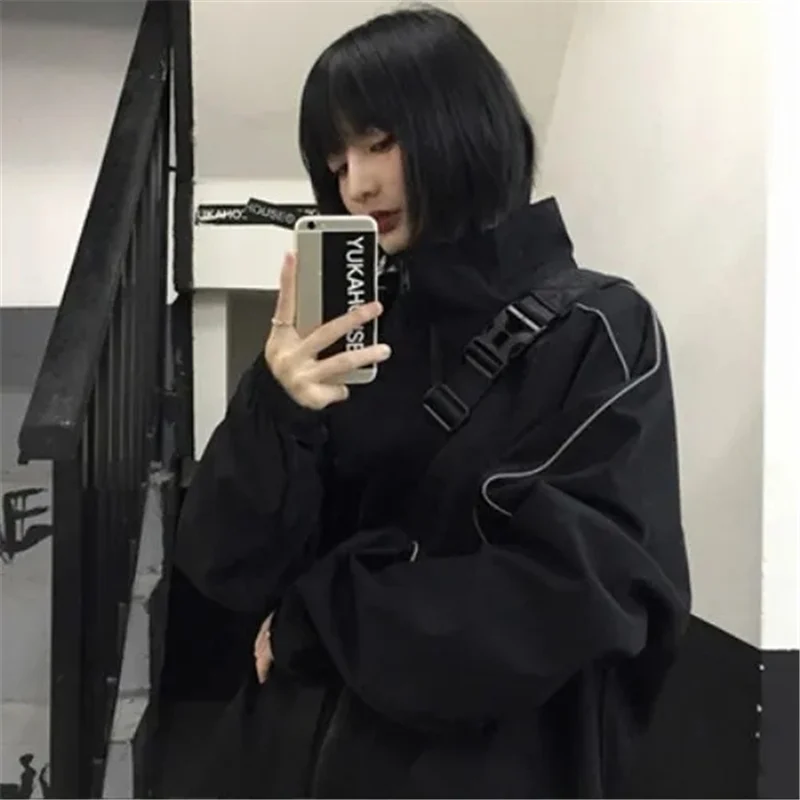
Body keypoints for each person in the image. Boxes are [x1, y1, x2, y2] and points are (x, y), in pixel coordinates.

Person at [171, 5, 691, 798]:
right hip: (276, 761)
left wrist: (320, 614)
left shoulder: (599, 329)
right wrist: (275, 405)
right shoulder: (352, 332)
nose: (357, 184)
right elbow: (224, 564)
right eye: (336, 162)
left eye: (380, 143)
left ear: (464, 125)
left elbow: (571, 597)